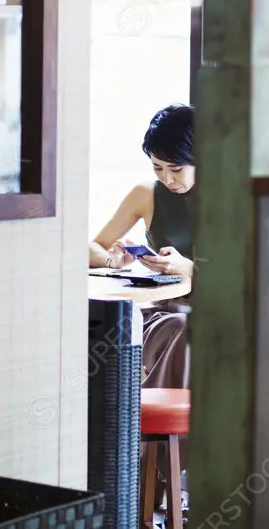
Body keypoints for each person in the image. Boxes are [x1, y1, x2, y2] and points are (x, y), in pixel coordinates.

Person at [89, 103, 195, 390]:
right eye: (157, 167)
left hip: (222, 312)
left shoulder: (233, 198)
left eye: (176, 168)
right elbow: (92, 248)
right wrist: (114, 261)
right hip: (167, 313)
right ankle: (154, 428)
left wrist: (188, 268)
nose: (167, 178)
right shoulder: (146, 194)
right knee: (183, 331)